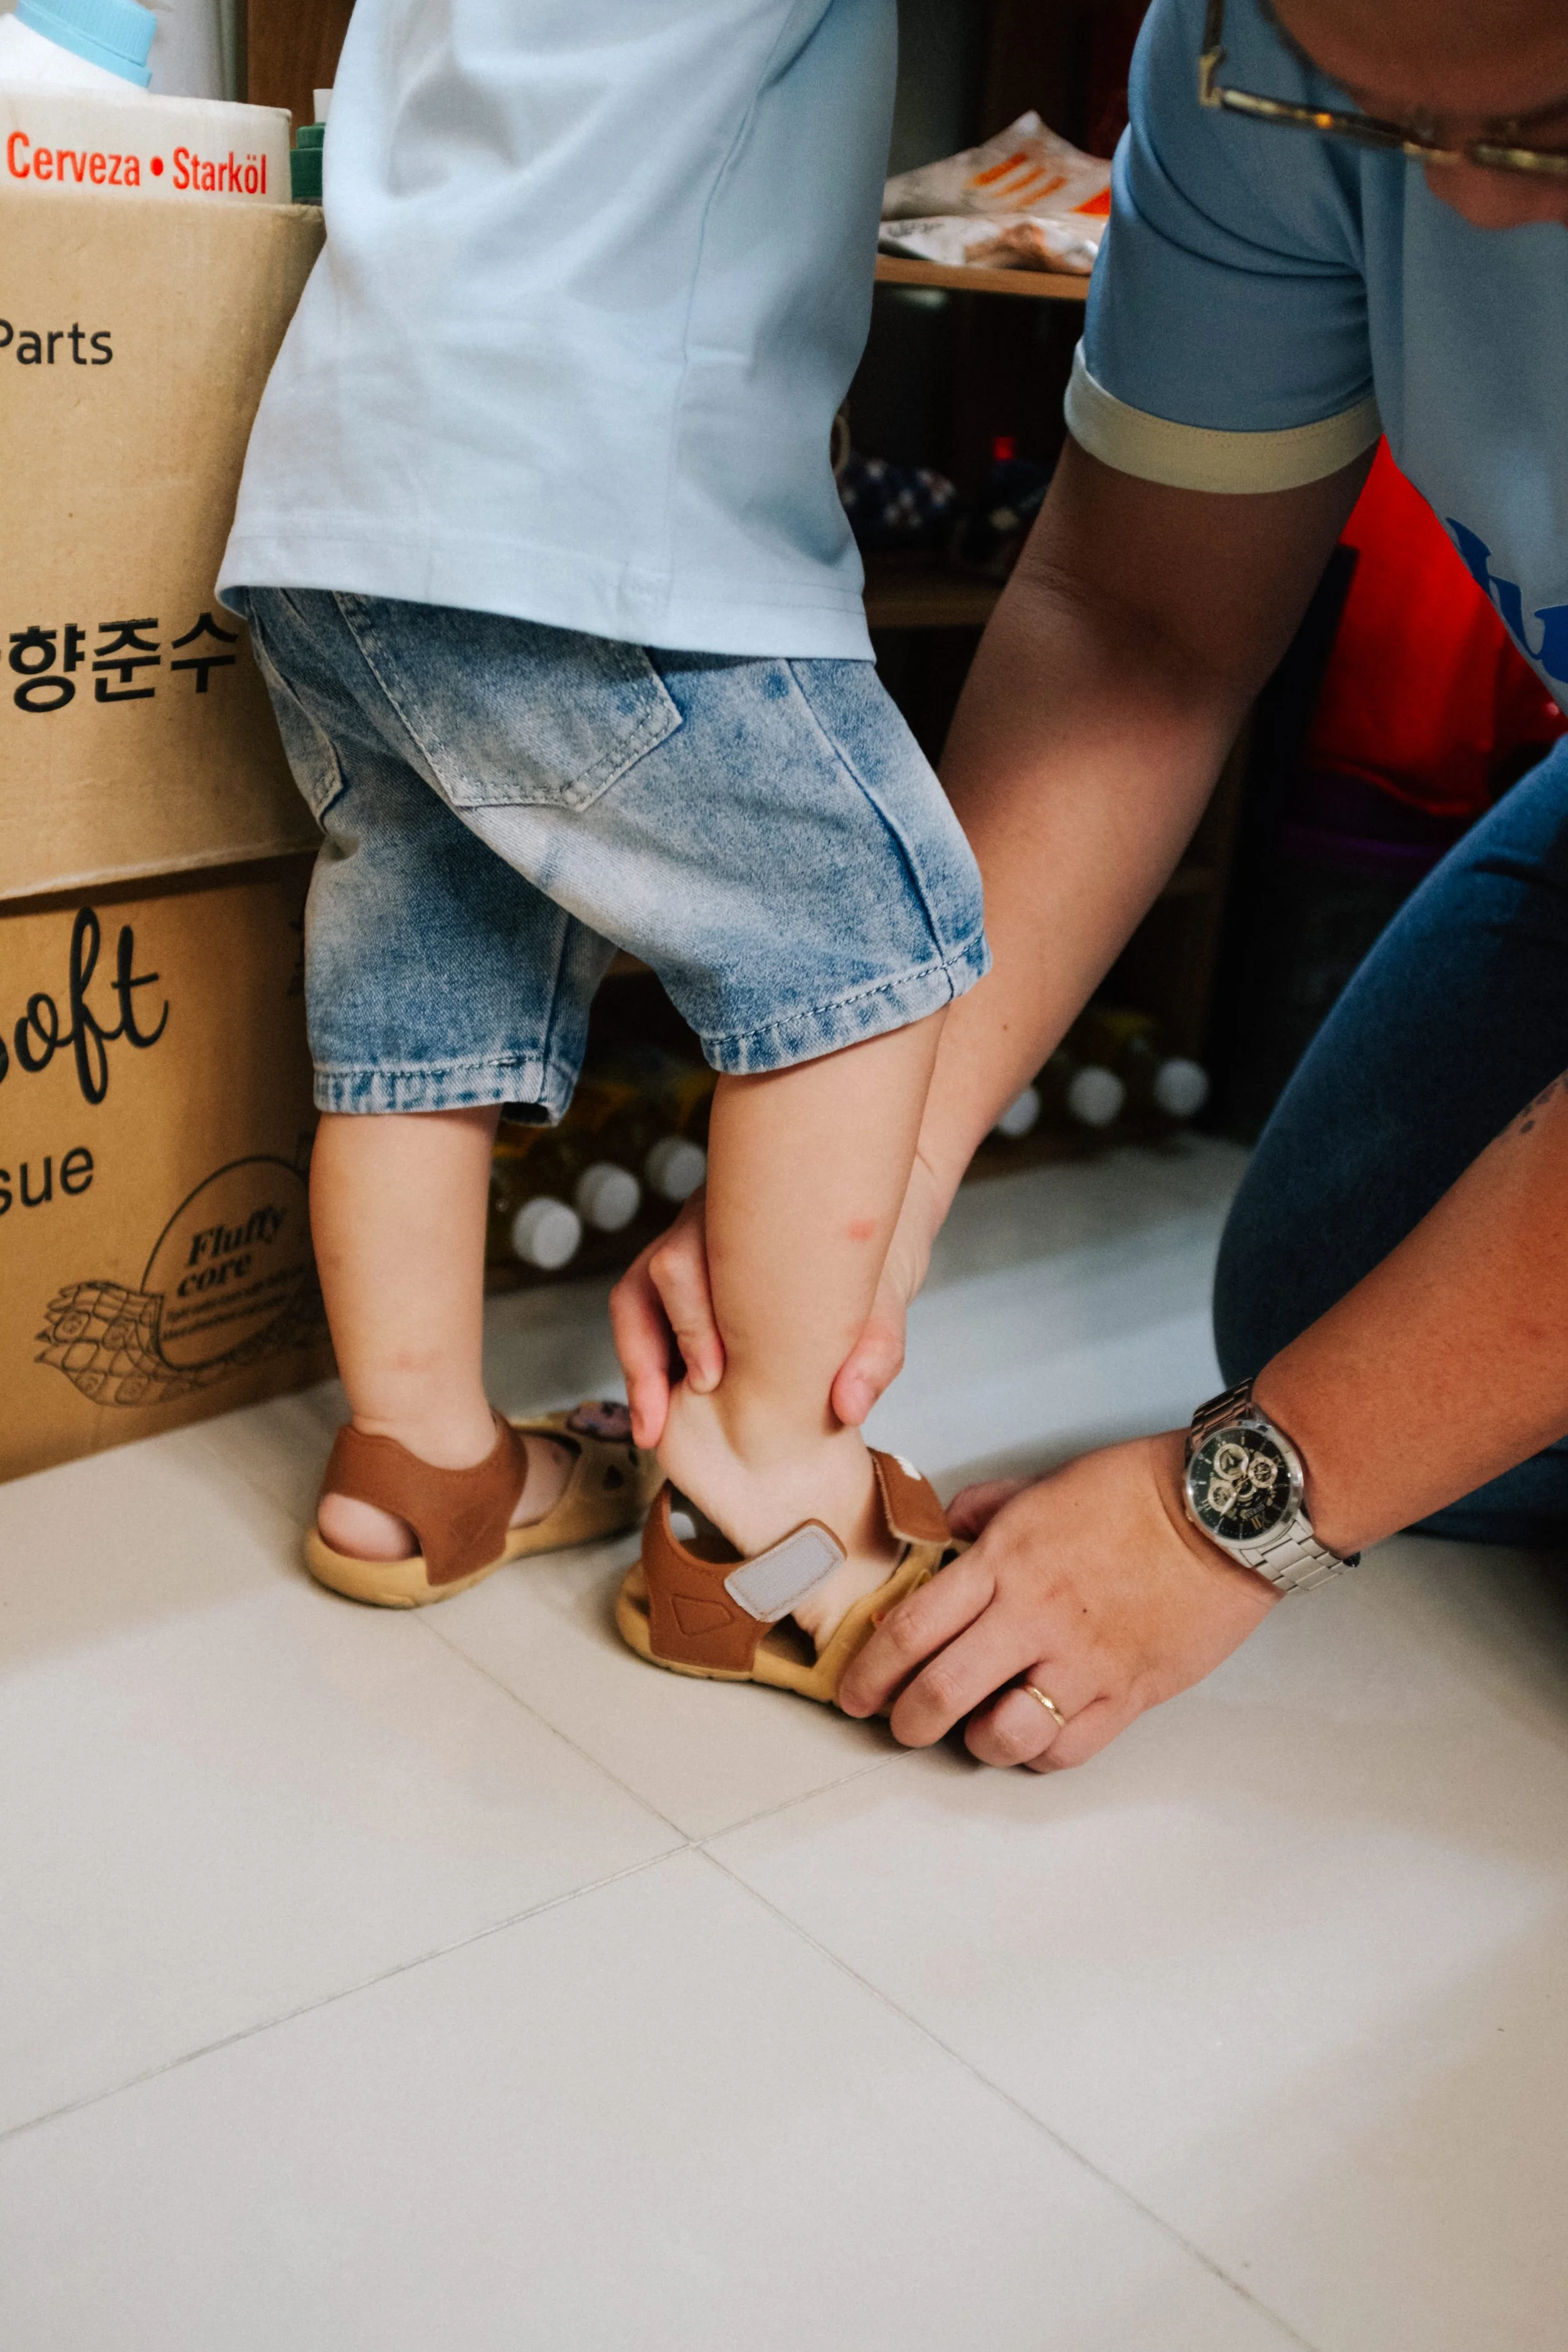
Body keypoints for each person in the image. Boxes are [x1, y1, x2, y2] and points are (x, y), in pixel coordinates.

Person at [613, 0, 1568, 1766]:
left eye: (1545, 123)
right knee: (1321, 1288)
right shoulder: (1241, 50)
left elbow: (1282, 1474)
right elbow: (1140, 620)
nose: (1468, 206)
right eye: (1367, 110)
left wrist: (1238, 1507)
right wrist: (873, 1168)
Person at [216, 2, 985, 1663]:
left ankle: (413, 1467)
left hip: (331, 513)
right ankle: (763, 1514)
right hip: (603, 509)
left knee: (427, 973)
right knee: (860, 933)